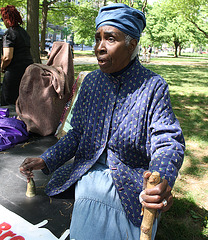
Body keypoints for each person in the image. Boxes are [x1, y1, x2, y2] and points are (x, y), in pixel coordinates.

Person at [20, 3, 185, 240]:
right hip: (89, 173)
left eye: (110, 39)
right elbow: (77, 134)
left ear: (132, 44)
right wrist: (47, 159)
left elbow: (168, 141)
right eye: (98, 38)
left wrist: (161, 179)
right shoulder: (91, 83)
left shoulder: (152, 87)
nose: (100, 47)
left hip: (133, 180)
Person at [0, 5, 33, 106]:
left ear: (7, 19)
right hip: (28, 72)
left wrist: (2, 67)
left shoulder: (9, 34)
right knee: (23, 104)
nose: (3, 22)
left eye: (3, 19)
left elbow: (7, 57)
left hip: (13, 74)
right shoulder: (24, 33)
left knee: (7, 103)